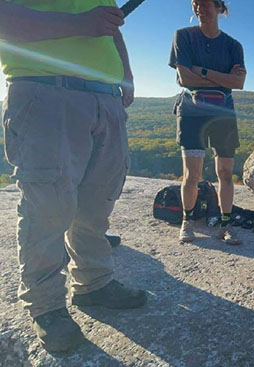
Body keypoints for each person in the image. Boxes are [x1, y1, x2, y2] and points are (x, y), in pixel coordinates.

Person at [0, 1, 146, 352]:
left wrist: (125, 74)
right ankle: (46, 307)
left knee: (97, 204)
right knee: (47, 207)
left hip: (105, 99)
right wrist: (80, 23)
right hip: (46, 92)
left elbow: (111, 29)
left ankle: (93, 283)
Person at [169, 0, 247, 245]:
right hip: (192, 113)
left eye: (205, 3)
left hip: (222, 114)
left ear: (219, 7)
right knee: (192, 174)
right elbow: (183, 77)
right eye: (195, 3)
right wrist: (222, 79)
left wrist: (201, 72)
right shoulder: (183, 37)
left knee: (225, 172)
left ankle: (226, 224)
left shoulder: (233, 46)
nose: (199, 8)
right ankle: (187, 222)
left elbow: (238, 83)